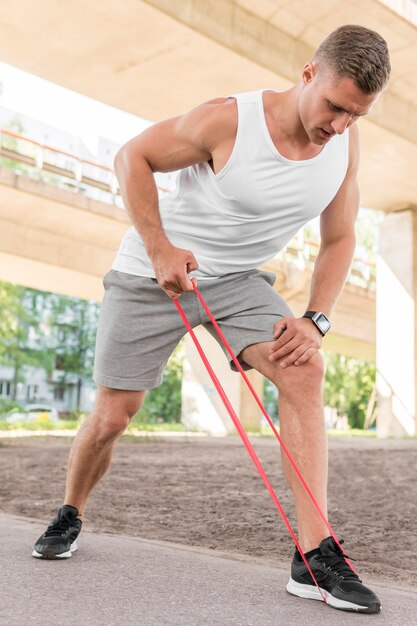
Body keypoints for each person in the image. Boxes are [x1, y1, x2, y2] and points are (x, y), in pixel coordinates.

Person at [33, 24, 390, 614]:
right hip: (153, 276)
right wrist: (159, 248)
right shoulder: (229, 121)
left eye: (356, 115)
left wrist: (317, 319)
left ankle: (314, 556)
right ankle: (71, 509)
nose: (339, 126)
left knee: (305, 370)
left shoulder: (344, 146)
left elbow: (342, 236)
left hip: (239, 283)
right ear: (307, 74)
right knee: (114, 416)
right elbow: (133, 157)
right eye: (333, 107)